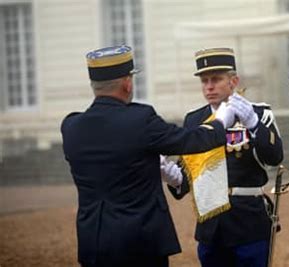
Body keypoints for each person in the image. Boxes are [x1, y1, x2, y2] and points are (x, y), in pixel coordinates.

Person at [61, 45, 236, 267]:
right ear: (127, 83)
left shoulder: (71, 126)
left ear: (94, 85)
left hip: (93, 241)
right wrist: (220, 122)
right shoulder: (140, 119)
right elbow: (191, 140)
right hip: (139, 242)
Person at [167, 47, 284, 267]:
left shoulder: (257, 113)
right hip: (211, 224)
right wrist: (170, 175)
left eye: (216, 79)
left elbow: (274, 156)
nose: (209, 86)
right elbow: (184, 181)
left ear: (234, 81)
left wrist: (254, 125)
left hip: (248, 220)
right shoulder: (195, 120)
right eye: (204, 81)